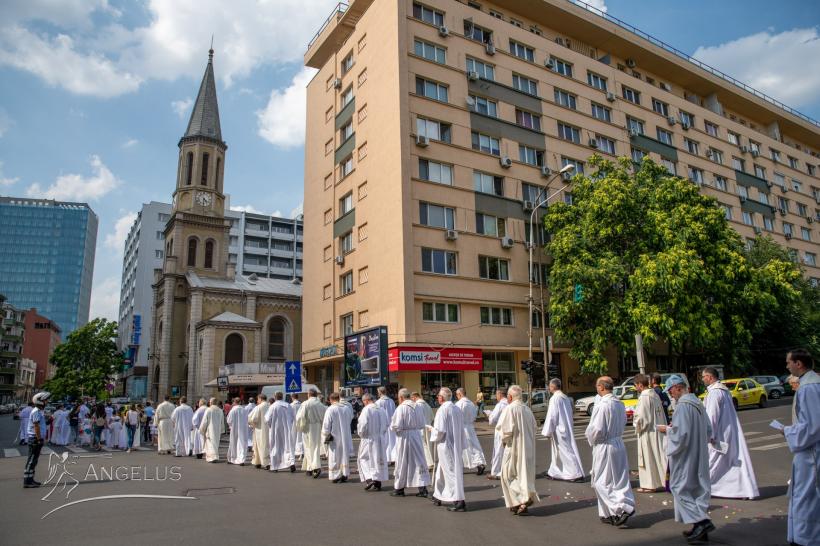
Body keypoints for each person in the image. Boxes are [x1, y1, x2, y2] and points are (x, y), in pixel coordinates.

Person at [660, 374, 715, 543]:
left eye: (671, 391)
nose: (671, 395)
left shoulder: (683, 406)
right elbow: (708, 429)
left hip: (685, 454)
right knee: (696, 489)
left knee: (679, 487)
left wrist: (667, 430)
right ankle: (699, 528)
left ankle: (702, 522)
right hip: (698, 451)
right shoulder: (697, 403)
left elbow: (680, 434)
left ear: (678, 388)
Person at [701, 367, 759, 500]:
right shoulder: (724, 391)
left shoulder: (715, 393)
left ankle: (705, 488)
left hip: (718, 433)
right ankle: (739, 489)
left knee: (712, 462)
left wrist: (709, 435)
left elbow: (712, 416)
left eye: (704, 377)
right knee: (728, 462)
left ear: (710, 377)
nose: (702, 379)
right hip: (728, 431)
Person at [585, 376, 635, 527]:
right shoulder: (619, 403)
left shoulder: (603, 405)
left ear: (601, 387)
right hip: (618, 443)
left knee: (600, 481)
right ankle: (608, 513)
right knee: (618, 480)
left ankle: (621, 508)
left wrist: (591, 439)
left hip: (605, 445)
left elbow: (597, 429)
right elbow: (624, 422)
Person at [783, 348, 819, 546]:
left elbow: (812, 426)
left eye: (789, 362)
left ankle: (806, 538)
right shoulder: (809, 384)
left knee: (806, 497)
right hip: (809, 451)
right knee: (803, 495)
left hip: (811, 453)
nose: (787, 366)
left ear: (799, 364)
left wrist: (787, 432)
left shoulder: (809, 387)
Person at [497, 385, 539, 516]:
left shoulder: (510, 409)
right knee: (523, 476)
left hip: (513, 447)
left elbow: (505, 431)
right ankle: (519, 503)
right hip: (528, 448)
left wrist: (504, 442)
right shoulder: (527, 409)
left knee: (507, 475)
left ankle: (522, 499)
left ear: (509, 397)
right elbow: (535, 427)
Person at [430, 387, 466, 512]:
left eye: (438, 396)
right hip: (455, 444)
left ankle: (459, 500)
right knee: (442, 470)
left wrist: (432, 431)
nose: (437, 398)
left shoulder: (442, 410)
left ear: (442, 397)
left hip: (445, 445)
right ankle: (438, 495)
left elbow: (440, 431)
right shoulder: (456, 409)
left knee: (450, 472)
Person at [389, 388, 430, 498]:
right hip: (416, 435)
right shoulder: (417, 406)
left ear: (401, 397)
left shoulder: (401, 408)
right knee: (418, 461)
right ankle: (423, 488)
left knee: (403, 462)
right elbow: (422, 423)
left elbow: (396, 425)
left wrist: (392, 427)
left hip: (404, 437)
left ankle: (399, 488)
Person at [541, 378, 584, 482]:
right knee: (559, 452)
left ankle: (575, 473)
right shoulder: (565, 398)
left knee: (565, 452)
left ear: (552, 387)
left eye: (549, 386)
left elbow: (552, 415)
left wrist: (547, 431)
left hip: (559, 429)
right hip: (565, 427)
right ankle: (554, 472)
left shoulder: (555, 398)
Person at [632, 374, 667, 493]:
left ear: (640, 385)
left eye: (635, 385)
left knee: (648, 457)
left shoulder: (644, 396)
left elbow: (642, 418)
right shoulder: (654, 394)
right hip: (657, 431)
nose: (635, 388)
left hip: (648, 432)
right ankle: (662, 481)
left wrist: (635, 424)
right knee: (658, 456)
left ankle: (650, 485)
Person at [357, 393, 389, 491]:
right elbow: (387, 424)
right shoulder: (381, 410)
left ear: (366, 400)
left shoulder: (366, 409)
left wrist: (361, 434)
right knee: (377, 460)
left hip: (369, 438)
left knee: (363, 458)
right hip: (380, 438)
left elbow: (362, 425)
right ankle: (378, 482)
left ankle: (369, 478)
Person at [321, 392, 354, 483]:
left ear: (331, 400)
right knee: (344, 455)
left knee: (335, 456)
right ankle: (344, 474)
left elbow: (326, 425)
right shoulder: (346, 408)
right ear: (339, 398)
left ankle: (336, 475)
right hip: (345, 435)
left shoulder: (330, 409)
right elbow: (351, 418)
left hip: (334, 436)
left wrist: (324, 435)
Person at [295, 388, 327, 478]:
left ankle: (315, 467)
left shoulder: (305, 404)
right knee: (316, 446)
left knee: (308, 447)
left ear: (309, 395)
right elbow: (324, 416)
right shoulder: (320, 404)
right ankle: (309, 467)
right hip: (317, 426)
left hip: (308, 427)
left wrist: (300, 427)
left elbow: (300, 417)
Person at [455, 388, 486, 475]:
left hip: (462, 428)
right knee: (474, 446)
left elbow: (456, 417)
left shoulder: (459, 404)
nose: (457, 397)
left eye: (457, 395)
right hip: (470, 427)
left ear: (460, 394)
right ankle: (479, 463)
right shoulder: (471, 404)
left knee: (463, 448)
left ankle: (459, 466)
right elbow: (474, 416)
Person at [23, 392, 50, 488]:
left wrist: (49, 421)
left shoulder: (38, 411)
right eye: (45, 400)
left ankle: (31, 479)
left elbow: (41, 425)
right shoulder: (36, 412)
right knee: (31, 460)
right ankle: (27, 481)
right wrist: (39, 439)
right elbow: (36, 426)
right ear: (40, 401)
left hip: (36, 438)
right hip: (34, 438)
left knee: (34, 460)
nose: (47, 401)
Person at [265, 391, 296, 473]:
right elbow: (293, 417)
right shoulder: (288, 405)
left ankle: (275, 466)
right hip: (286, 429)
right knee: (288, 445)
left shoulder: (273, 406)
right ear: (282, 397)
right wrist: (289, 424)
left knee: (275, 446)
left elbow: (267, 419)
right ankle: (291, 463)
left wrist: (271, 426)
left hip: (275, 429)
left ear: (275, 397)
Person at [487, 388, 508, 480]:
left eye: (496, 394)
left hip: (500, 430)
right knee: (507, 451)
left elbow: (492, 420)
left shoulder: (500, 405)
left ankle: (496, 472)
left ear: (500, 395)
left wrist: (489, 415)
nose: (496, 396)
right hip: (509, 430)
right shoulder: (510, 404)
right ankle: (506, 470)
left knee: (498, 451)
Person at [411, 392, 435, 469]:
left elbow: (415, 418)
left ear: (414, 397)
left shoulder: (417, 405)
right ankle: (431, 462)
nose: (412, 400)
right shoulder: (427, 405)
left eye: (412, 398)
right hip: (428, 427)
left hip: (421, 428)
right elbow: (432, 417)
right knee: (429, 445)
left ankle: (429, 463)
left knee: (423, 446)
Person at [248, 394, 271, 470]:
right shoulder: (270, 406)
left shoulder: (259, 407)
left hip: (260, 430)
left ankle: (264, 463)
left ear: (260, 398)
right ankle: (258, 461)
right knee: (267, 445)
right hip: (269, 430)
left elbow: (253, 418)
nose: (257, 401)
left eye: (258, 399)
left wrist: (251, 423)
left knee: (260, 446)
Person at [375, 386, 397, 464]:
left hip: (383, 425)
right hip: (391, 424)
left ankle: (386, 459)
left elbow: (377, 414)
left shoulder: (378, 402)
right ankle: (393, 458)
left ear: (380, 392)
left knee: (385, 442)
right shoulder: (391, 401)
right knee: (392, 441)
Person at [199, 398, 224, 463]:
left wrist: (202, 429)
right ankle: (215, 456)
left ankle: (212, 457)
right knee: (216, 443)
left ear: (211, 402)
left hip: (210, 429)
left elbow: (205, 421)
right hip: (217, 430)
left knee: (210, 444)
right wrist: (222, 429)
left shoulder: (209, 410)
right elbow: (222, 421)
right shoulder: (220, 410)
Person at [226, 397, 248, 465]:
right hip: (242, 429)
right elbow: (247, 419)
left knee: (233, 443)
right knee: (241, 443)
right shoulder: (244, 410)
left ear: (235, 402)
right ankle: (241, 460)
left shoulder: (233, 410)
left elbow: (229, 420)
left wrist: (230, 426)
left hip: (234, 429)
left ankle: (233, 458)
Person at [290, 393, 304, 459]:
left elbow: (289, 416)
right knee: (300, 438)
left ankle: (293, 453)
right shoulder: (301, 405)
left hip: (293, 423)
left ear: (292, 398)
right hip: (300, 422)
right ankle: (301, 453)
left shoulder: (291, 405)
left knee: (293, 438)